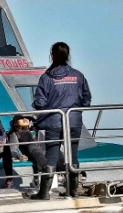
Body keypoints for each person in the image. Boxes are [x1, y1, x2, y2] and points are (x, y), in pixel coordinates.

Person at [32, 41, 91, 200]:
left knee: (51, 156)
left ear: (52, 55)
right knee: (72, 155)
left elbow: (39, 103)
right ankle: (73, 191)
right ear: (68, 56)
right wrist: (76, 110)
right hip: (74, 121)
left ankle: (44, 193)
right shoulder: (78, 75)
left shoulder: (46, 78)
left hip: (53, 121)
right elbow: (87, 98)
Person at [7, 114, 46, 188]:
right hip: (32, 150)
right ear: (16, 122)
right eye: (21, 118)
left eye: (27, 118)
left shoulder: (36, 129)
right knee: (38, 154)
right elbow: (13, 149)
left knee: (59, 155)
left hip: (45, 148)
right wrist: (18, 155)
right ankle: (42, 178)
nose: (25, 119)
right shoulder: (15, 133)